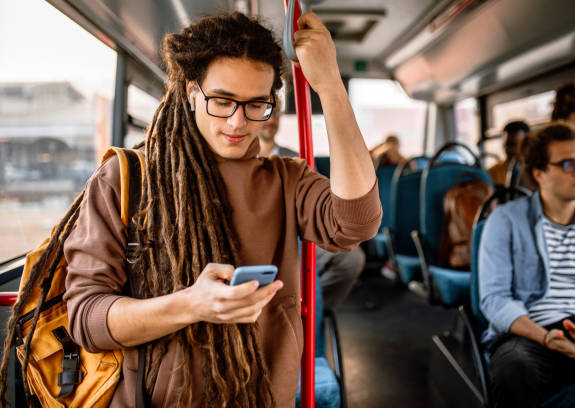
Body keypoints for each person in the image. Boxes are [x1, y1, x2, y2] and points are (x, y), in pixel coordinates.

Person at [63, 12, 381, 408]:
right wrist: (191, 304)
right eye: (222, 101)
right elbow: (86, 317)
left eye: (255, 105)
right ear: (193, 91)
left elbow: (358, 221)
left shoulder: (285, 180)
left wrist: (331, 87)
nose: (237, 121)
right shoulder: (126, 178)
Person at [479, 123, 575, 408]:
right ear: (539, 173)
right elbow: (495, 299)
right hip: (529, 333)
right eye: (569, 163)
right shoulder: (506, 220)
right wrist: (548, 338)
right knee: (515, 371)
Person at [256, 109, 366, 310]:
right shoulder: (238, 160)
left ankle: (315, 308)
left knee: (351, 258)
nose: (270, 120)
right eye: (264, 112)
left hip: (295, 234)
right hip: (259, 237)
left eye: (275, 114)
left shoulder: (296, 160)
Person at [487, 120, 530, 186]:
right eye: (507, 145)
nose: (510, 150)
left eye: (514, 145)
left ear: (527, 145)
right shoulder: (492, 173)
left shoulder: (538, 172)